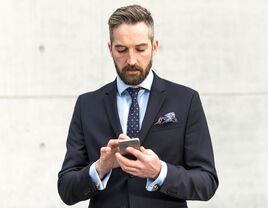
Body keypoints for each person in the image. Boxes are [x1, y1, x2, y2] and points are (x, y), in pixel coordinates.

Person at [58, 4, 218, 208]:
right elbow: (66, 189)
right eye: (122, 49)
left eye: (140, 49)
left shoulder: (186, 100)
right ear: (110, 49)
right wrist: (100, 168)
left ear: (154, 47)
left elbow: (207, 182)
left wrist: (159, 171)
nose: (131, 60)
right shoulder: (87, 105)